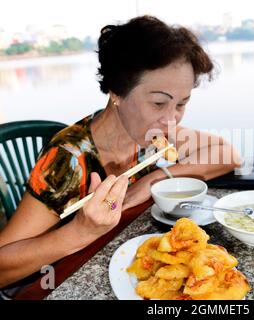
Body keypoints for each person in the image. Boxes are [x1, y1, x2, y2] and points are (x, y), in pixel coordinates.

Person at [0, 15, 241, 289]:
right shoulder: (68, 159)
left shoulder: (153, 132)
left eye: (181, 104)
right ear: (117, 92)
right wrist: (79, 232)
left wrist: (154, 179)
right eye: (159, 102)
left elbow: (228, 154)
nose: (172, 120)